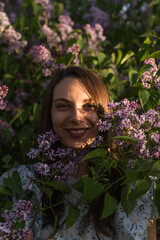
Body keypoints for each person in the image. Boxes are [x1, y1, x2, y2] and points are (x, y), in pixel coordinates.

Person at [0, 66, 158, 240]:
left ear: (105, 113)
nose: (76, 117)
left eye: (88, 106)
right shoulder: (23, 184)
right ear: (49, 113)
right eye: (62, 106)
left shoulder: (133, 188)